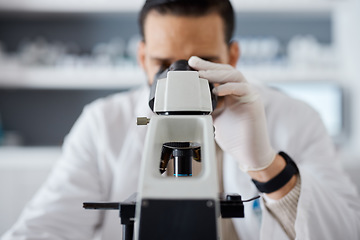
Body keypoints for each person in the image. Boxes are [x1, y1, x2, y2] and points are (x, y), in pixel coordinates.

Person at [2, 0, 360, 239]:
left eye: (198, 63)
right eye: (164, 65)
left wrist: (266, 165)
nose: (181, 78)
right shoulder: (103, 123)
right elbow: (42, 229)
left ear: (232, 56)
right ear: (142, 58)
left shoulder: (295, 117)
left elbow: (344, 230)